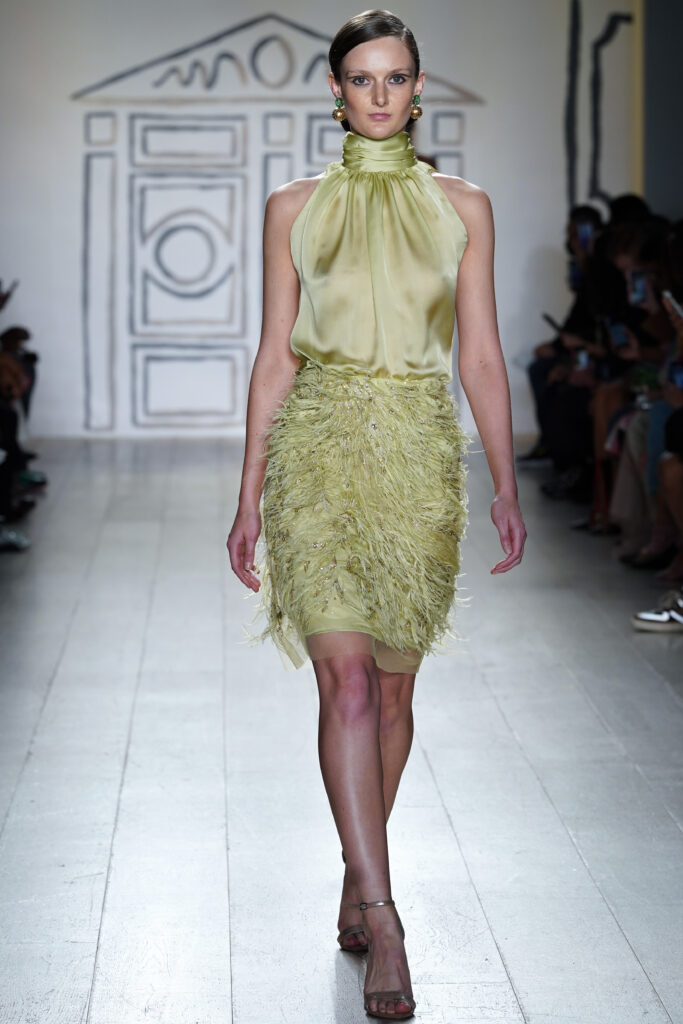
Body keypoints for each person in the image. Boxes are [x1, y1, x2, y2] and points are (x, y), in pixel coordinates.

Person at [227, 11, 526, 1020]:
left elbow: (479, 354)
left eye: (395, 77)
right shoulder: (292, 207)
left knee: (392, 694)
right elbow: (275, 356)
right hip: (315, 453)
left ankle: (360, 877)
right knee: (346, 682)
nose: (380, 95)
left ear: (418, 86)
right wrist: (246, 496)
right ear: (334, 90)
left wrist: (504, 482)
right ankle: (386, 917)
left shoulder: (464, 207)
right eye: (361, 79)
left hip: (417, 462)